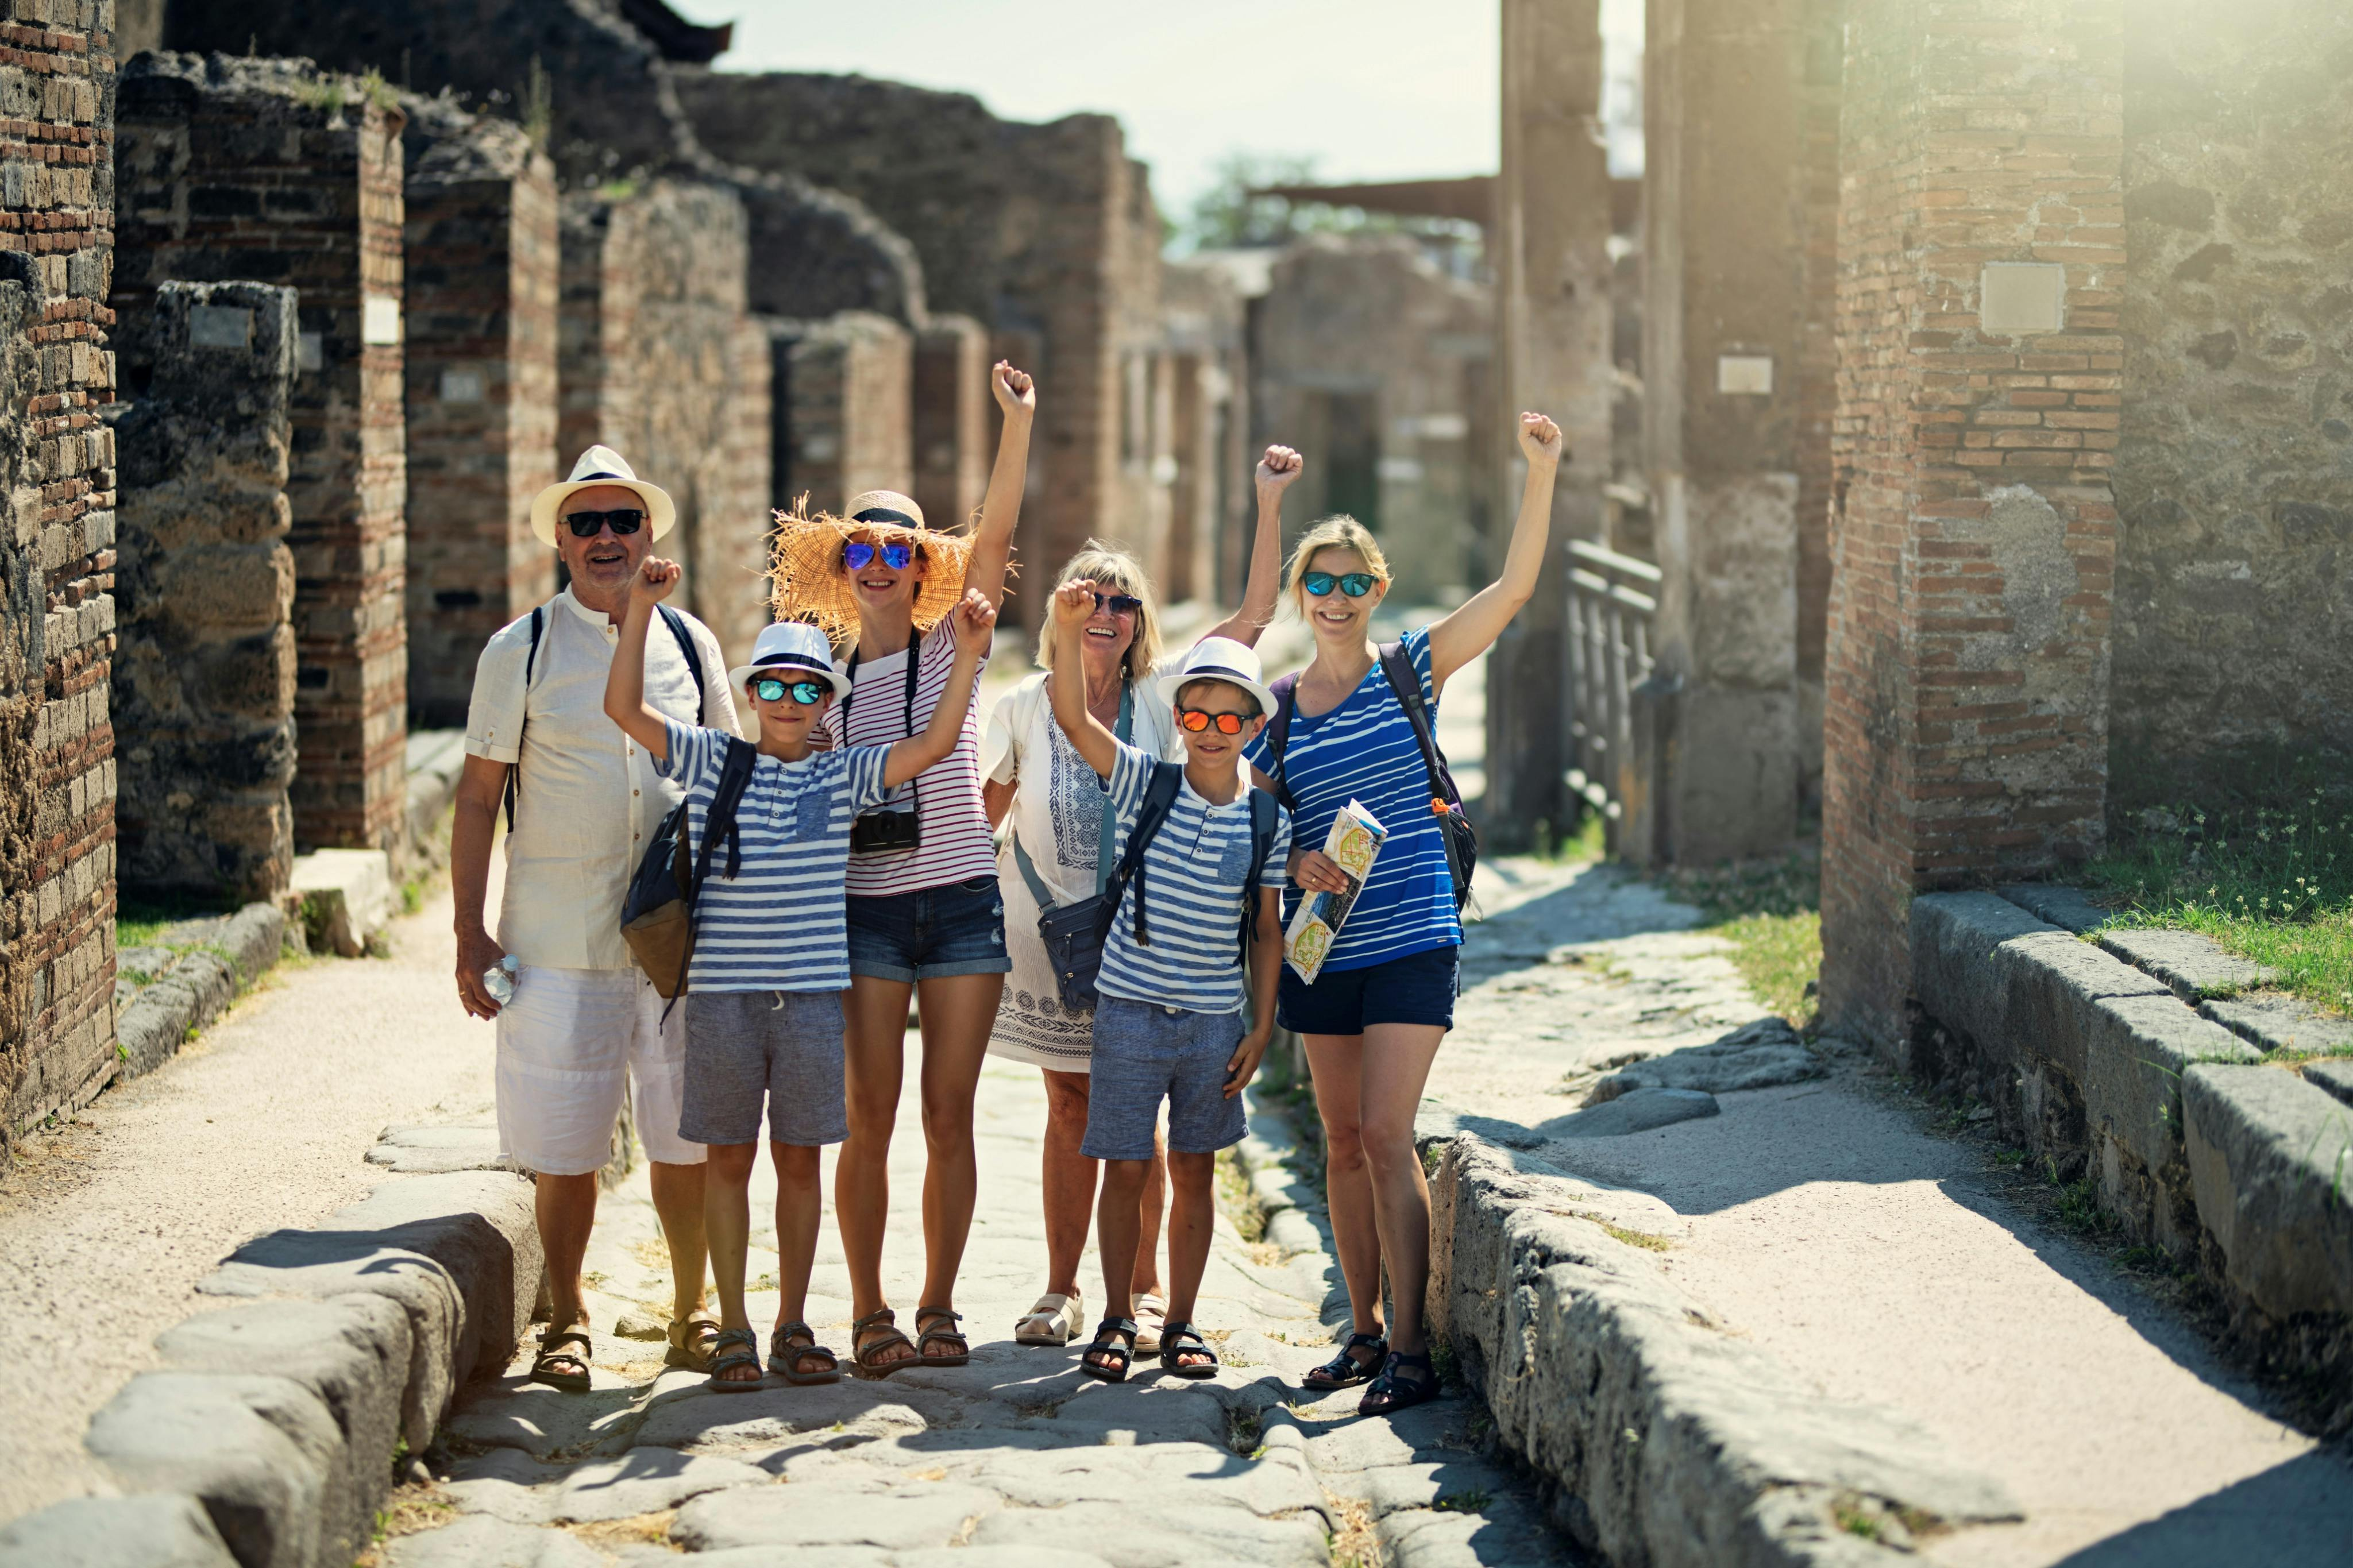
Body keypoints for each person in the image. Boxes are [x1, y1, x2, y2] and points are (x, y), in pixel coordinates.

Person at [602, 555, 996, 1390]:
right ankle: (735, 1324)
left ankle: (792, 1322)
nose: (788, 701)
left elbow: (929, 745)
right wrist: (639, 607)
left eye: (806, 688)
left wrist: (966, 655)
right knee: (730, 1162)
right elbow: (624, 709)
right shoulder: (715, 762)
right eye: (772, 687)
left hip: (814, 1000)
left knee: (801, 1163)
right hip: (724, 998)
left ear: (828, 701)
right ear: (750, 695)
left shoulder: (842, 774)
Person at [1251, 411, 1565, 1415]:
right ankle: (1363, 1328)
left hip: (1414, 934)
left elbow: (1512, 592)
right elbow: (1239, 824)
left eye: (1354, 582)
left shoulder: (1409, 671)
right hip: (1321, 948)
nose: (1336, 597)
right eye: (1320, 582)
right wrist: (1292, 854)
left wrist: (1541, 472)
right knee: (1338, 1141)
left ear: (1377, 590)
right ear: (1302, 594)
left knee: (1389, 1132)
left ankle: (1415, 1353)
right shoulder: (1281, 711)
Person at [980, 446, 1303, 1352]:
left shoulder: (1168, 701)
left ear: (1142, 622)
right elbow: (982, 819)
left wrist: (1266, 499)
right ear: (1061, 610)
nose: (1106, 611)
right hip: (1050, 932)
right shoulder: (1023, 705)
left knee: (1149, 1122)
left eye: (1123, 600)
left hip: (1152, 941)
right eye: (1088, 594)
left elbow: (1253, 618)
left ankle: (1146, 1289)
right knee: (1073, 1112)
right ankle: (1061, 1288)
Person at [450, 445, 740, 1392]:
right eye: (588, 523)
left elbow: (731, 779)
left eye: (624, 521)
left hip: (677, 943)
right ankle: (568, 1312)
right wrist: (468, 933)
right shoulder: (518, 649)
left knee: (685, 1138)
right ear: (563, 542)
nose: (607, 538)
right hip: (555, 932)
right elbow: (478, 797)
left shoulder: (693, 644)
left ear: (649, 534)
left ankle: (691, 1307)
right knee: (564, 1143)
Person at [765, 361, 1033, 1377]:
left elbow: (998, 539)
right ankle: (868, 1310)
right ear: (845, 566)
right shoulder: (818, 679)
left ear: (924, 566)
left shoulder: (955, 639)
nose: (881, 563)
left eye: (899, 549)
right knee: (868, 1118)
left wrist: (1017, 422)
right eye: (864, 547)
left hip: (962, 904)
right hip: (867, 916)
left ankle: (939, 1304)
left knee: (948, 1115)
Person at [1043, 580, 1291, 1384]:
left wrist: (1261, 1027)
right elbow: (1076, 720)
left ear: (1255, 725)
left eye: (1230, 720)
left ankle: (1181, 1319)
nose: (1212, 732)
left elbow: (1266, 927)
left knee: (1194, 1168)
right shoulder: (1146, 781)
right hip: (1129, 1012)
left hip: (1215, 1021)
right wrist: (1070, 630)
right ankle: (1118, 1314)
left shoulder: (1267, 820)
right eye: (1196, 715)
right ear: (1177, 717)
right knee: (1127, 1164)